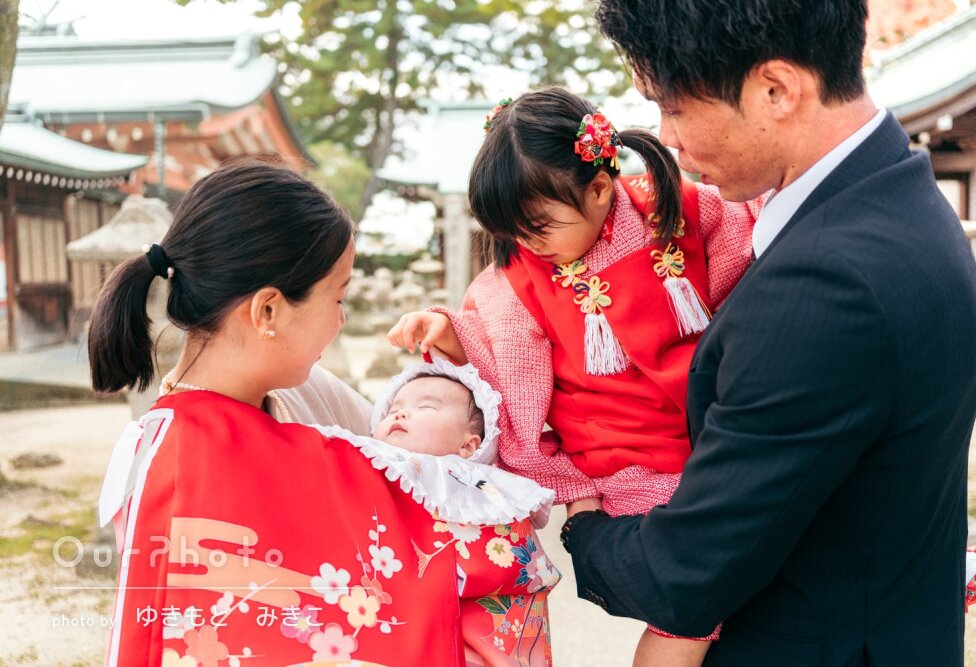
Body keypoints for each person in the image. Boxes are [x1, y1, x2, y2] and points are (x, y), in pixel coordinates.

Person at [558, 1, 976, 665]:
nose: (665, 135)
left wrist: (582, 521)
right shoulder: (898, 196)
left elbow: (686, 570)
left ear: (775, 89)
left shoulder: (826, 281)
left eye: (672, 105)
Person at [389, 86, 763, 665]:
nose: (527, 245)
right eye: (514, 231)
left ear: (598, 187)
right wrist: (452, 336)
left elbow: (751, 260)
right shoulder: (516, 280)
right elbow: (508, 373)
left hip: (715, 424)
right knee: (697, 590)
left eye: (540, 226)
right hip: (624, 456)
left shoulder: (679, 206)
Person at [91, 160, 469, 666]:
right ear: (268, 310)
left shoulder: (314, 394)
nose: (341, 318)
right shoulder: (149, 464)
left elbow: (437, 479)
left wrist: (460, 360)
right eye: (338, 296)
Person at [332, 357, 561, 666]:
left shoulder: (484, 489)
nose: (401, 413)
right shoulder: (368, 459)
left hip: (468, 624)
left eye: (426, 407)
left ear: (469, 445)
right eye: (392, 408)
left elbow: (515, 560)